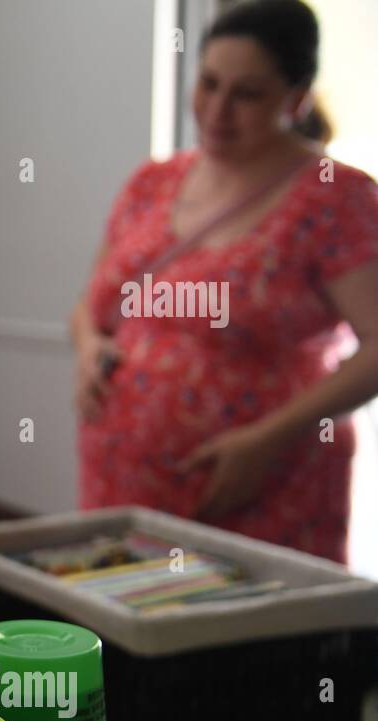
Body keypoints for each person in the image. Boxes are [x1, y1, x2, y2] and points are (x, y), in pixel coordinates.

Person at [71, 0, 378, 562]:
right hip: (122, 484)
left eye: (248, 94)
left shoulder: (335, 196)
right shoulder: (152, 183)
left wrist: (266, 439)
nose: (217, 110)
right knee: (127, 631)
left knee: (241, 643)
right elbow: (93, 305)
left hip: (261, 488)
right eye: (208, 84)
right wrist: (90, 348)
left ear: (297, 96)